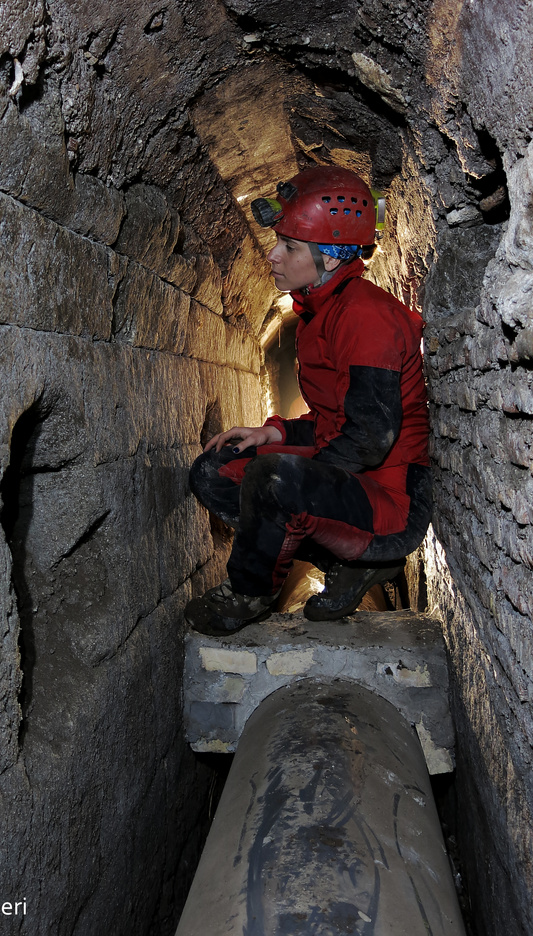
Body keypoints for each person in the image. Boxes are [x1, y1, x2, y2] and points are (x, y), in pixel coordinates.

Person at [185, 165, 431, 637]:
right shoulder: (322, 311)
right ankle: (348, 563)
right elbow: (329, 422)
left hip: (390, 502)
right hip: (359, 481)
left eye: (290, 246)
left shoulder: (365, 317)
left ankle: (248, 594)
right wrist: (272, 434)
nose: (274, 256)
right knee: (216, 470)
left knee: (271, 478)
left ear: (332, 258)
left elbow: (368, 440)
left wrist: (285, 473)